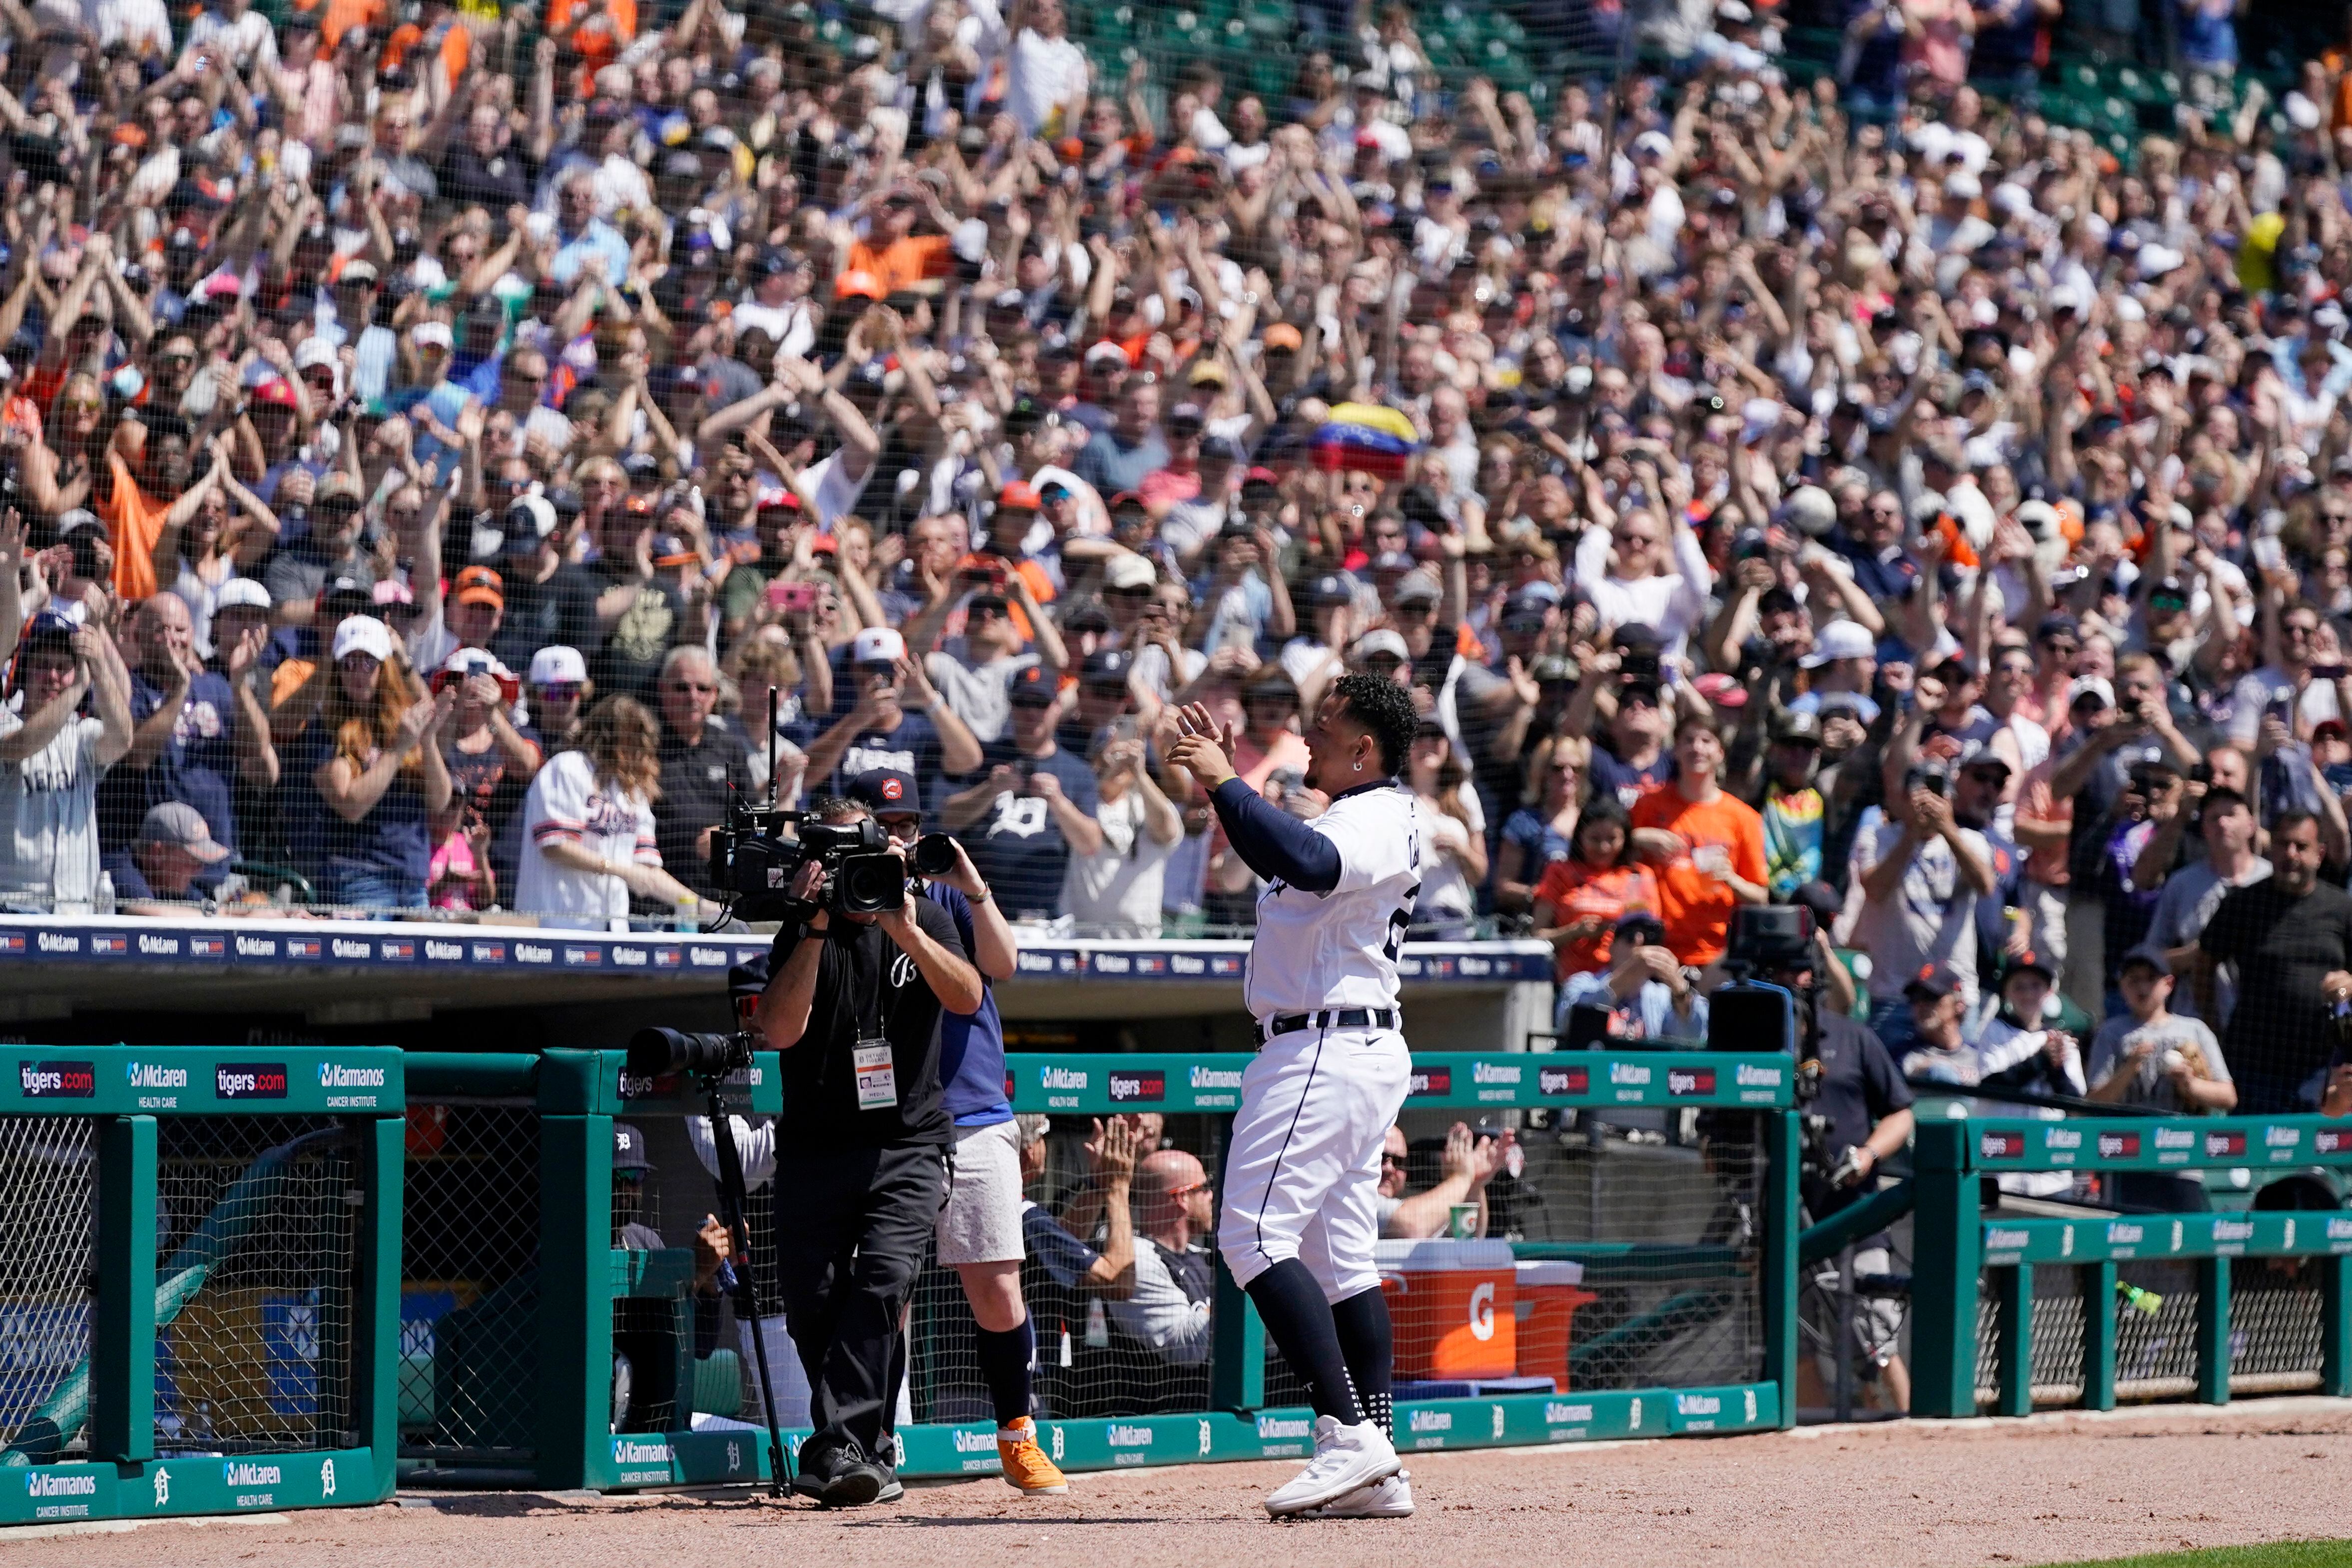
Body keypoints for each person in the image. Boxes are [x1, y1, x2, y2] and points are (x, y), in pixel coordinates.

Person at [1164, 671, 1419, 1519]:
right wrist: (1224, 788)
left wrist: (1221, 778)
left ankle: (1352, 1434)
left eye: (1325, 725)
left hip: (1324, 1043)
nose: (1309, 738)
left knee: (1248, 1233)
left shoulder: (1376, 813)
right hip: (1338, 1041)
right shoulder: (1354, 812)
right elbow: (1284, 853)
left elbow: (1304, 859)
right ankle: (1377, 1459)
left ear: (1365, 747)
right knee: (1339, 1260)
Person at [751, 792, 985, 1508]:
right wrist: (817, 924)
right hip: (817, 1143)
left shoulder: (922, 912)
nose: (859, 878)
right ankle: (866, 1450)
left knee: (885, 1277)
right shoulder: (802, 929)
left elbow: (969, 996)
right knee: (813, 1299)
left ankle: (832, 1446)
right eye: (843, 864)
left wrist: (905, 927)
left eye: (868, 860)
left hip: (907, 1140)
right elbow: (777, 1031)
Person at [850, 767, 1067, 1493]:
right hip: (890, 1122)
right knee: (888, 1291)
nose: (894, 836)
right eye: (880, 823)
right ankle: (876, 1444)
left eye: (905, 822)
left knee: (997, 1286)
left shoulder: (944, 891)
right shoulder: (849, 903)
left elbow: (1004, 961)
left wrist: (968, 877)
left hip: (972, 1113)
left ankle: (1017, 1436)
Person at [284, 615, 452, 909]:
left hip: (412, 878)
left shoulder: (405, 719)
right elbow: (350, 805)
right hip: (360, 877)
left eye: (368, 662)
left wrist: (426, 742)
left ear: (384, 668)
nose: (358, 673)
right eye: (348, 663)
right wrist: (397, 750)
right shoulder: (325, 729)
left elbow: (439, 802)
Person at [2190, 811, 2352, 1113]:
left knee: (2315, 1158)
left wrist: (2348, 986)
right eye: (2283, 844)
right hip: (2254, 1062)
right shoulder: (2244, 903)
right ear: (2271, 848)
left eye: (2301, 847)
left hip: (2321, 1066)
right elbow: (2204, 962)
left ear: (2320, 854)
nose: (2290, 854)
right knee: (2251, 1157)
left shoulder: (2342, 908)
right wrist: (2213, 1025)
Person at [516, 696, 717, 925]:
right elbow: (556, 846)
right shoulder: (567, 768)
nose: (641, 752)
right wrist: (620, 871)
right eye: (635, 740)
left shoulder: (632, 790)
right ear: (613, 738)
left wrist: (702, 907)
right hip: (556, 925)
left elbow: (648, 872)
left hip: (611, 930)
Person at [1, 613, 135, 910]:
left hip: (76, 910)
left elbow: (123, 739)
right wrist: (77, 688)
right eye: (41, 666)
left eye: (63, 667)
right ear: (23, 672)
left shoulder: (81, 735)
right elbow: (22, 744)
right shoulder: (6, 721)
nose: (52, 676)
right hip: (12, 910)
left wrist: (99, 667)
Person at [1630, 714, 1768, 968]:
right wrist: (1639, 838)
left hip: (1717, 956)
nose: (1697, 748)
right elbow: (1608, 854)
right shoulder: (1649, 804)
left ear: (1720, 753)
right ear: (1675, 750)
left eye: (1706, 740)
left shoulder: (1744, 818)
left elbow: (1760, 897)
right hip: (1656, 949)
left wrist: (1731, 879)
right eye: (1689, 740)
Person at [2087, 948, 2236, 1114]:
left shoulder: (2196, 1029)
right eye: (2134, 980)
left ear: (2169, 984)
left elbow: (2229, 1097)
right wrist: (2128, 1070)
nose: (2143, 987)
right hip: (2129, 1134)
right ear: (2122, 985)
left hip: (2184, 1133)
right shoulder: (2110, 1032)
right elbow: (2093, 1103)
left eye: (2151, 978)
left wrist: (2190, 1084)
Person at [1530, 797, 1661, 984]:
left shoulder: (1638, 875)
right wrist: (1574, 932)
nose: (1604, 847)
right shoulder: (1559, 871)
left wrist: (1621, 930)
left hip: (1626, 983)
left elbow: (1652, 934)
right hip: (1573, 982)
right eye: (1595, 839)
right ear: (1580, 837)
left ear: (1625, 839)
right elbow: (1537, 936)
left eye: (1612, 839)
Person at [1109, 1147, 1215, 1367]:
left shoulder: (1201, 1258)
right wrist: (1236, 1296)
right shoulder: (1138, 1260)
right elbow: (1188, 1349)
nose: (1211, 1196)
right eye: (1204, 1188)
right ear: (1182, 1197)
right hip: (1166, 1400)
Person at [1558, 909, 1708, 1042]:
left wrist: (1680, 991)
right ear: (1612, 947)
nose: (1639, 942)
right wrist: (1630, 973)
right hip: (1596, 1068)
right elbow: (1569, 1023)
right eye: (1630, 936)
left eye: (1650, 939)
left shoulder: (1662, 995)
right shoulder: (1582, 983)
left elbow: (1693, 1038)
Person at [1377, 1122, 1507, 1239]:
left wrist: (1474, 1184)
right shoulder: (1361, 1197)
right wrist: (1461, 1178)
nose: (1389, 1168)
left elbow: (1468, 1238)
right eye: (1381, 1158)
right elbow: (1411, 1227)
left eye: (1399, 1162)